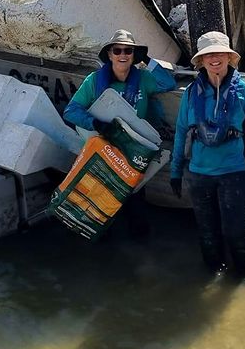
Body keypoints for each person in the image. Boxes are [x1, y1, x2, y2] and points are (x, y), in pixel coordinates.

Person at [170, 31, 245, 276]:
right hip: (198, 174)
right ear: (201, 61)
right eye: (208, 54)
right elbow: (181, 132)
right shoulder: (190, 93)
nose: (214, 58)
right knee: (207, 235)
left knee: (236, 233)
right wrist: (175, 171)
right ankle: (213, 279)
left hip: (235, 173)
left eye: (219, 53)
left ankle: (243, 280)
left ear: (229, 57)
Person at [63, 30, 175, 239]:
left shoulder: (143, 78)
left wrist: (148, 60)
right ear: (110, 54)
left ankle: (139, 254)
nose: (123, 55)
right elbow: (71, 111)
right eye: (118, 50)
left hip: (133, 154)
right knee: (100, 207)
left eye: (129, 51)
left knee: (137, 210)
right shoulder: (94, 80)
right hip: (103, 153)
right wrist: (95, 123)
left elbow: (169, 83)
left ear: (134, 56)